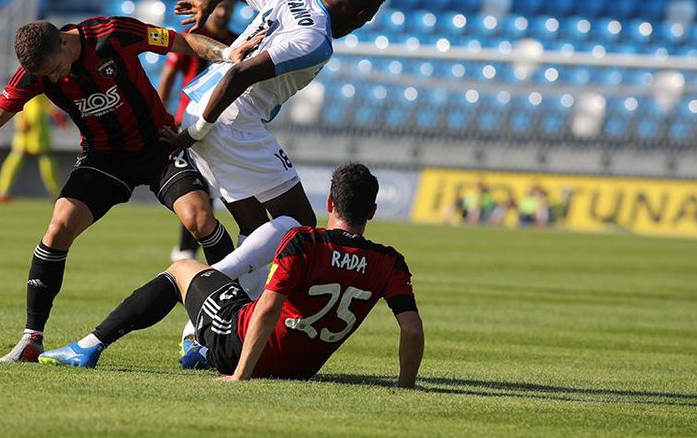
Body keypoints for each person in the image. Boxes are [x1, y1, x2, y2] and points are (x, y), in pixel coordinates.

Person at [0, 16, 261, 363]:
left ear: (64, 43)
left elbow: (181, 41)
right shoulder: (37, 71)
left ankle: (230, 321)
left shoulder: (112, 34)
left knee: (200, 220)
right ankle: (31, 339)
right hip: (104, 157)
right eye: (47, 75)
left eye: (55, 69)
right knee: (59, 226)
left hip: (159, 148)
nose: (54, 79)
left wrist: (227, 53)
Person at [39, 163, 424, 388]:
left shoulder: (305, 242)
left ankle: (88, 346)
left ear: (329, 203)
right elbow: (411, 330)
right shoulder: (390, 262)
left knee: (182, 270)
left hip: (241, 348)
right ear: (372, 211)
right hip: (302, 366)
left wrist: (241, 373)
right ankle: (199, 342)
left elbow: (269, 307)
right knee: (233, 284)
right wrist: (405, 384)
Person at [160, 0, 387, 241]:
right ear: (361, 13)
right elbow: (239, 74)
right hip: (231, 118)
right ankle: (222, 278)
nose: (361, 25)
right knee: (299, 226)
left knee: (254, 228)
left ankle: (233, 283)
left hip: (201, 106)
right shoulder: (315, 40)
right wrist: (195, 132)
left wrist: (205, 9)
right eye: (366, 18)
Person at [157, 0, 238, 261]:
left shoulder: (235, 41)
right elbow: (168, 77)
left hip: (221, 123)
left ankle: (193, 250)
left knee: (212, 187)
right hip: (189, 121)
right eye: (220, 7)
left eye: (229, 8)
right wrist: (159, 114)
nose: (224, 12)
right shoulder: (193, 38)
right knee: (198, 185)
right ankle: (187, 250)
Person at [0, 94, 63, 202]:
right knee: (41, 154)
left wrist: (53, 112)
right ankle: (57, 195)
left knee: (19, 155)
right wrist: (22, 117)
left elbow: (41, 97)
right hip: (33, 115)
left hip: (33, 113)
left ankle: (1, 191)